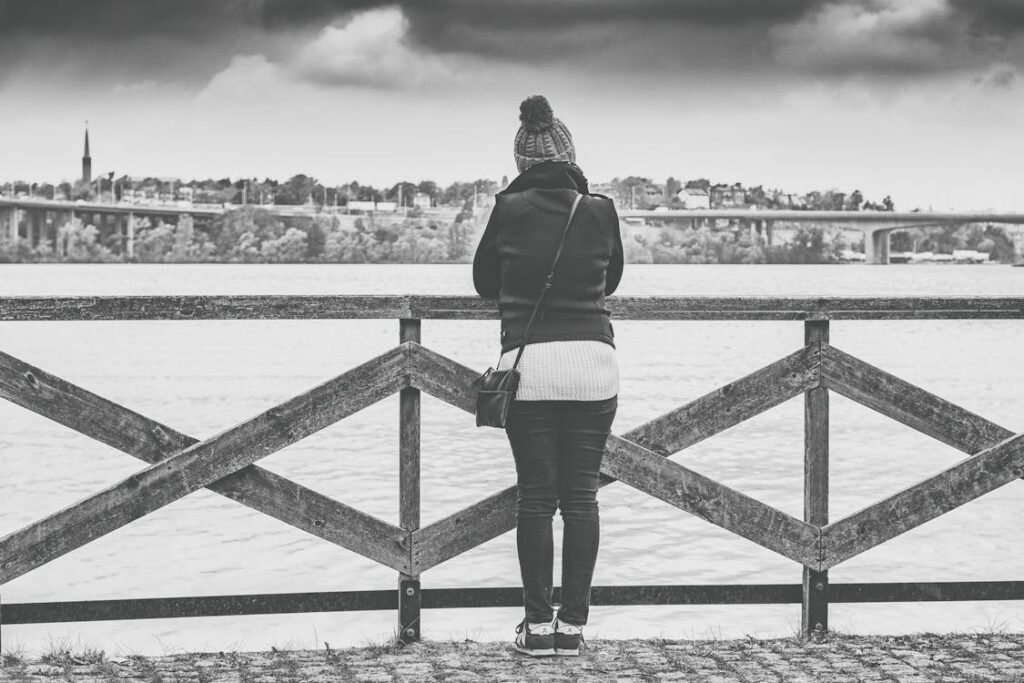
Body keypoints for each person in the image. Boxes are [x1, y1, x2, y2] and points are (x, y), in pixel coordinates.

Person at [473, 95, 624, 657]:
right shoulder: (600, 209)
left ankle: (537, 629)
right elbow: (610, 283)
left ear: (521, 161)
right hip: (593, 367)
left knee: (536, 500)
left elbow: (485, 283)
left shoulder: (507, 209)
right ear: (570, 154)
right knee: (581, 499)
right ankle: (574, 630)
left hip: (530, 368)